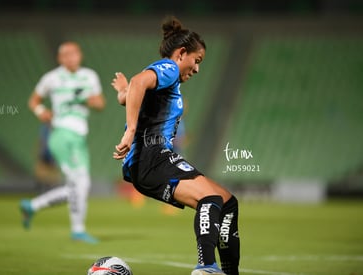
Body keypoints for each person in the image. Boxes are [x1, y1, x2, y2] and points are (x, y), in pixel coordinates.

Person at [111, 17, 240, 275]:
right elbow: (139, 82)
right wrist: (131, 130)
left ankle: (227, 272)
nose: (197, 69)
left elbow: (129, 94)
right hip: (151, 158)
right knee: (210, 199)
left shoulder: (168, 80)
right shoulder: (169, 69)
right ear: (182, 53)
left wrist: (123, 90)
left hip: (153, 159)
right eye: (197, 60)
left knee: (227, 202)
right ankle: (206, 266)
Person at [20, 41, 105, 244]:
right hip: (61, 134)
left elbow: (100, 103)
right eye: (66, 54)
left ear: (80, 55)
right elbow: (33, 101)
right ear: (60, 58)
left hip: (79, 137)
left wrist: (86, 99)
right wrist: (42, 112)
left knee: (80, 185)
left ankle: (33, 206)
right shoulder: (51, 78)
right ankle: (77, 230)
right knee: (78, 184)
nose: (71, 57)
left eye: (74, 53)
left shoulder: (89, 76)